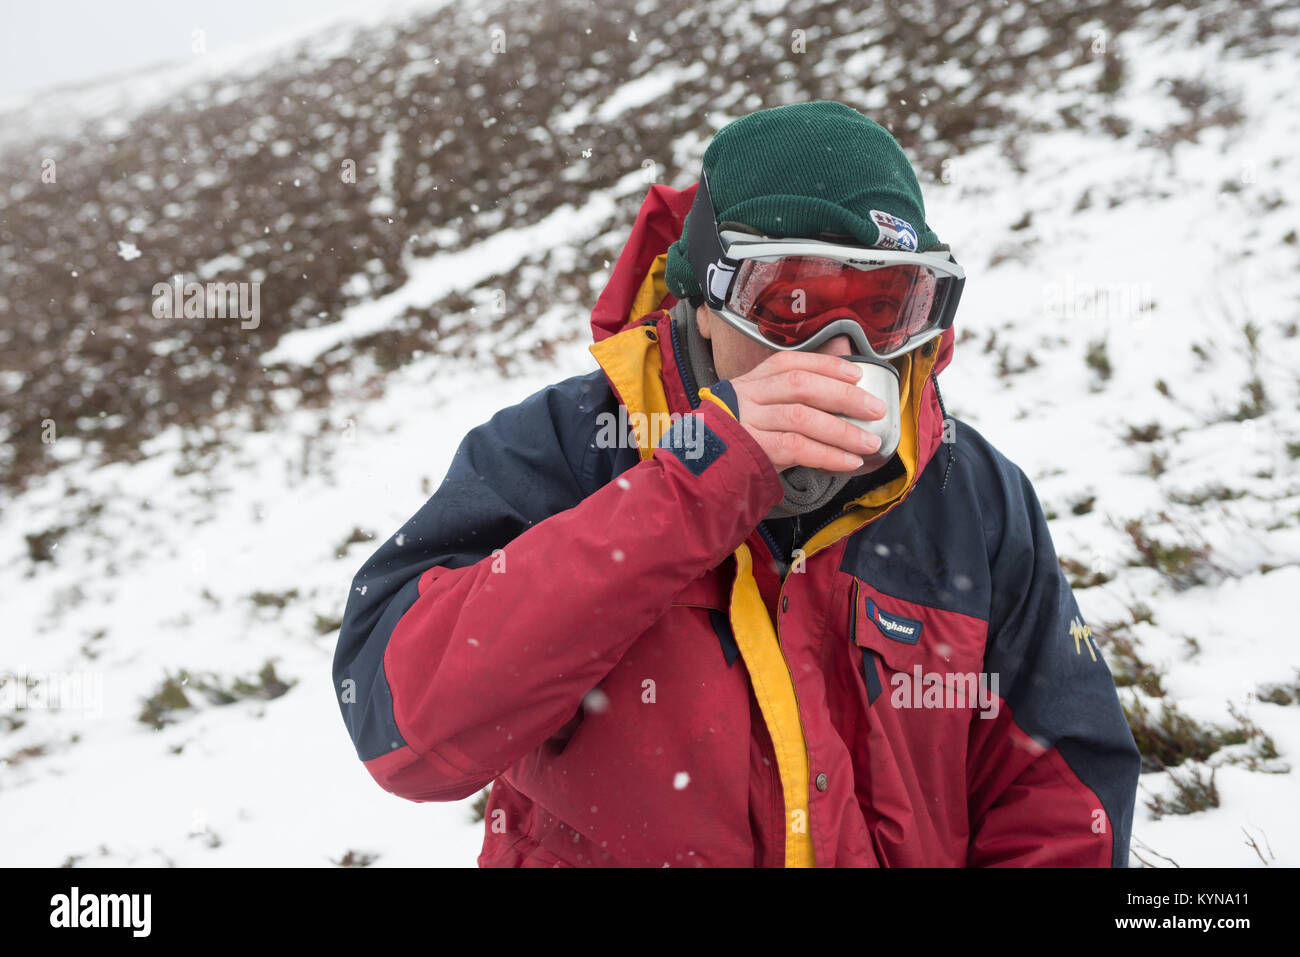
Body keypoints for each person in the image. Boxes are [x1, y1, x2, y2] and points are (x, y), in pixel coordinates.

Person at [332, 100, 1141, 867]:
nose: (840, 353)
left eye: (885, 309)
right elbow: (404, 732)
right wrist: (696, 484)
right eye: (791, 303)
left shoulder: (972, 493)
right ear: (706, 298)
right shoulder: (570, 449)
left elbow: (1059, 784)